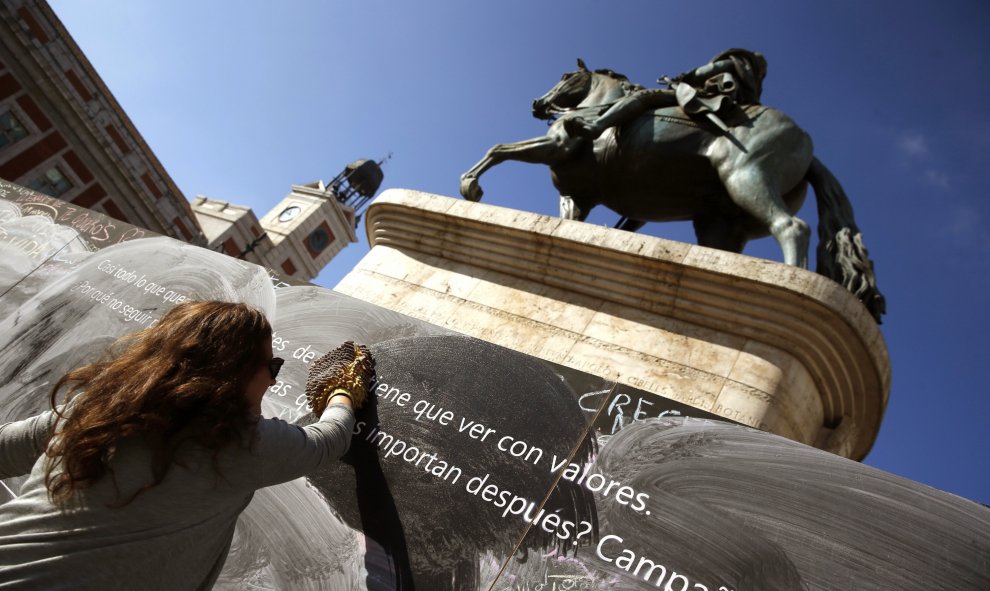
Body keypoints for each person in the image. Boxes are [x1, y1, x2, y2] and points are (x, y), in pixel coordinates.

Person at [0, 300, 374, 590]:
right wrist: (342, 390)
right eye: (271, 368)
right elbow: (329, 440)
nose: (273, 383)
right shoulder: (238, 440)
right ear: (236, 369)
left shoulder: (95, 408)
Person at [564, 48, 768, 138]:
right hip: (721, 103)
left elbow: (699, 74)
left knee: (642, 96)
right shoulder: (750, 86)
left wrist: (680, 78)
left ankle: (595, 127)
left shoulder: (728, 63)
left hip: (700, 95)